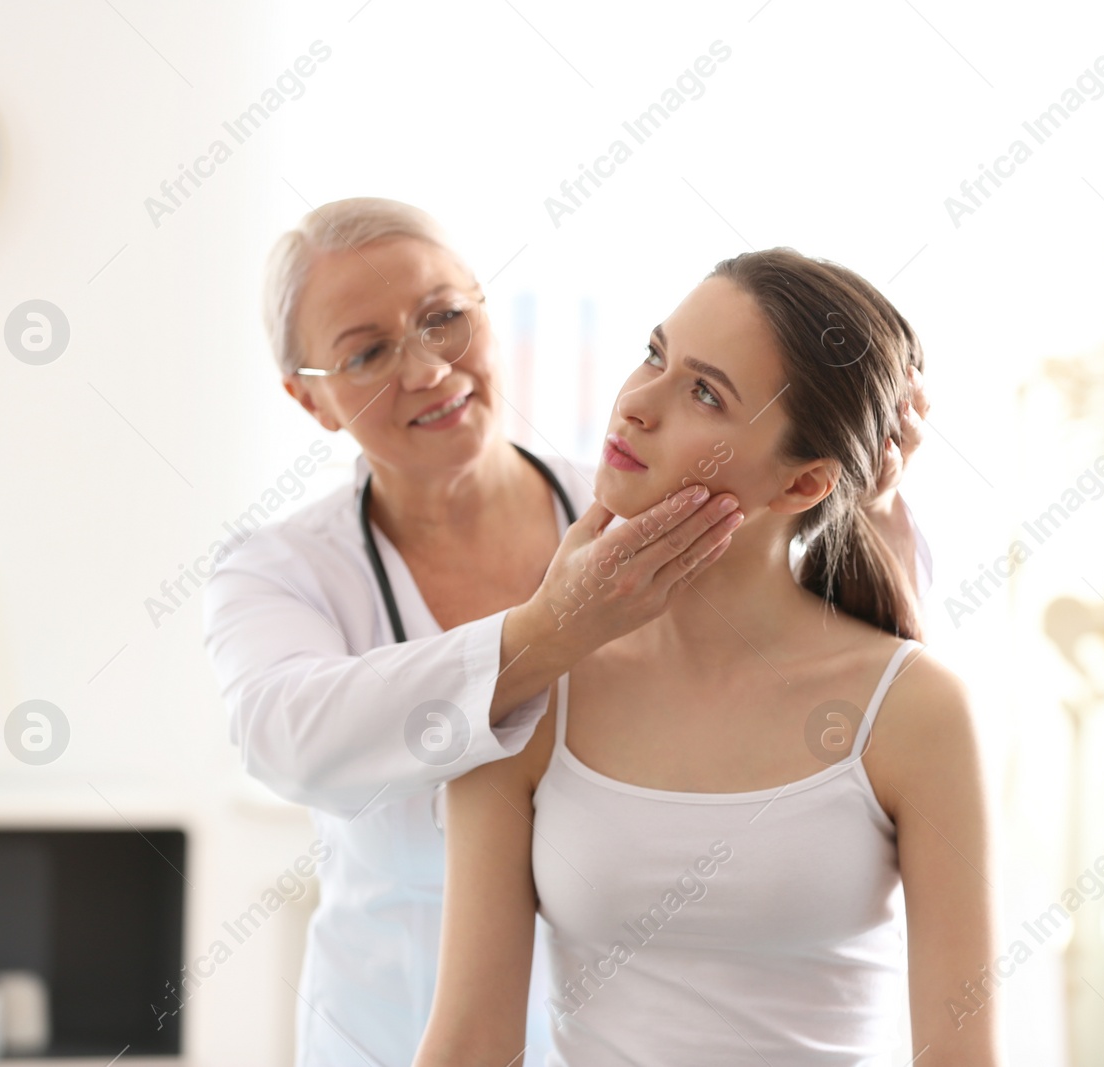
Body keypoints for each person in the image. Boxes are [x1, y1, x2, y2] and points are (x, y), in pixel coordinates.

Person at [201, 200, 933, 1066]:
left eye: (445, 318)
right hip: (394, 1031)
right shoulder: (280, 568)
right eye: (367, 352)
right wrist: (546, 634)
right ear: (310, 399)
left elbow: (828, 674)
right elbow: (282, 735)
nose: (429, 368)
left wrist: (871, 501)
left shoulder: (651, 502)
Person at [414, 249, 998, 1067]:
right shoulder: (527, 688)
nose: (637, 405)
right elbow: (471, 1046)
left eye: (705, 392)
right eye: (655, 354)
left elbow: (961, 1056)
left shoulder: (914, 709)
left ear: (802, 486)